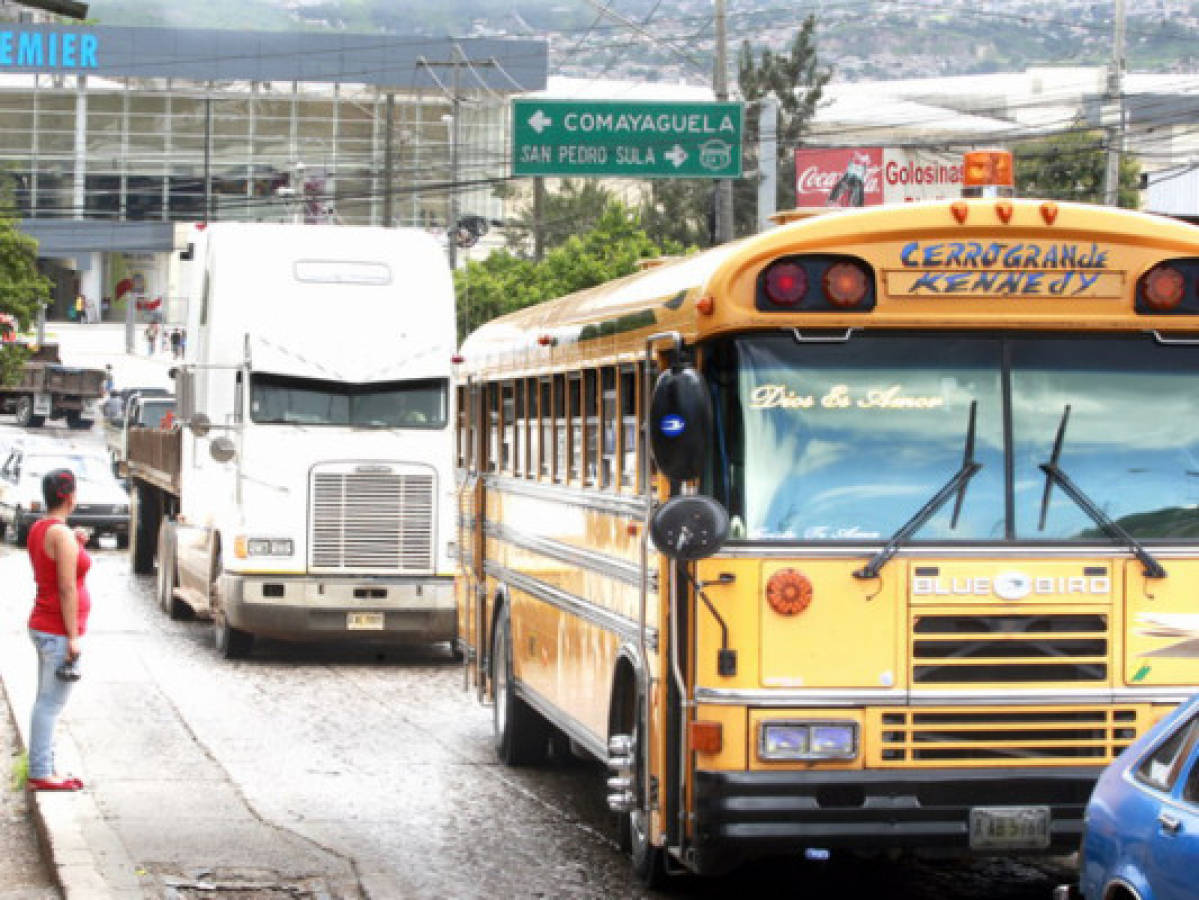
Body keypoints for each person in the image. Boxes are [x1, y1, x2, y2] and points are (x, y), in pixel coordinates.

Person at [26, 469, 91, 792]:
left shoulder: (43, 528)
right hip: (57, 628)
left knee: (46, 700)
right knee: (51, 704)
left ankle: (45, 766)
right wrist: (73, 637)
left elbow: (53, 568)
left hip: (43, 623)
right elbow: (66, 588)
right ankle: (41, 771)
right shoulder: (60, 535)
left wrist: (74, 542)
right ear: (69, 496)